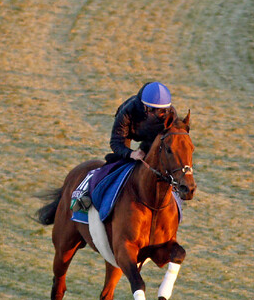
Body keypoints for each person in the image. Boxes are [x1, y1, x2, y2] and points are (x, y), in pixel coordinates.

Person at [71, 82, 176, 212]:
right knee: (116, 163)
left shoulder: (169, 113)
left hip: (152, 138)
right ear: (144, 107)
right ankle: (85, 193)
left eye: (161, 111)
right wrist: (131, 154)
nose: (158, 114)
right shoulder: (128, 111)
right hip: (127, 134)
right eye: (152, 110)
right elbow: (116, 142)